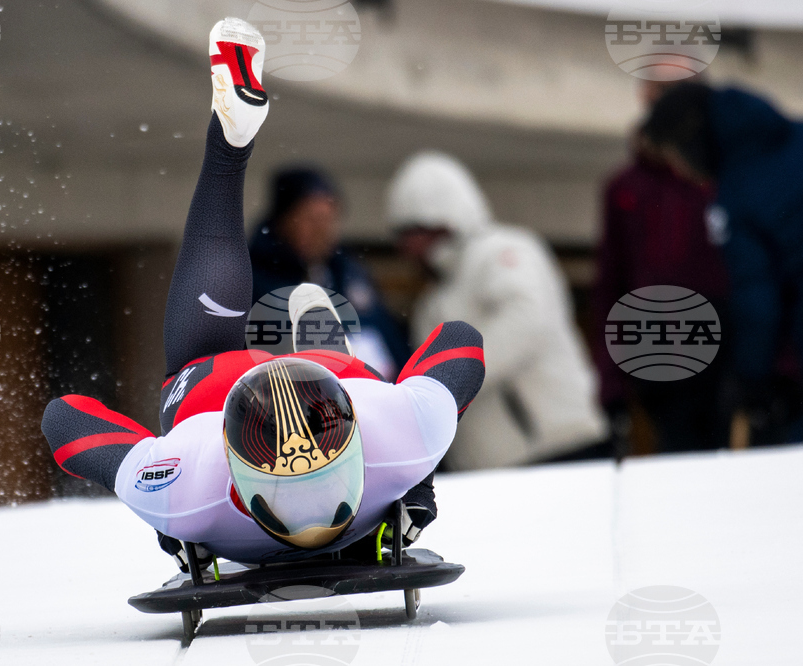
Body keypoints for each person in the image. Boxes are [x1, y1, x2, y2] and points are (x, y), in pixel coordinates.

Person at [40, 18, 485, 567]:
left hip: (237, 393)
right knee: (330, 367)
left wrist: (159, 506)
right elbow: (460, 339)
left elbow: (63, 417)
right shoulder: (399, 437)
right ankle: (318, 338)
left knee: (220, 310)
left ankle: (231, 152)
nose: (307, 517)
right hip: (311, 388)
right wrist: (418, 478)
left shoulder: (186, 488)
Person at [387, 152, 605, 470]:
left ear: (442, 221)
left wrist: (447, 379)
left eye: (412, 232)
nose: (406, 248)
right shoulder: (431, 302)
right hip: (496, 470)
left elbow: (526, 320)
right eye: (402, 236)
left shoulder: (502, 252)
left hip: (559, 448)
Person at [644, 82, 803, 444]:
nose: (680, 172)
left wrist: (750, 380)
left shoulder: (739, 193)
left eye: (675, 157)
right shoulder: (794, 138)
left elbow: (756, 299)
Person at [593, 78, 731, 454]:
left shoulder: (717, 180)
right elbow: (610, 284)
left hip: (723, 357)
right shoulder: (626, 188)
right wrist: (611, 381)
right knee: (675, 457)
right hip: (657, 358)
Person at [250, 166, 409, 379]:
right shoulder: (253, 279)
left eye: (330, 219)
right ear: (283, 220)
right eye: (312, 219)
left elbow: (389, 338)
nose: (322, 230)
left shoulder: (349, 272)